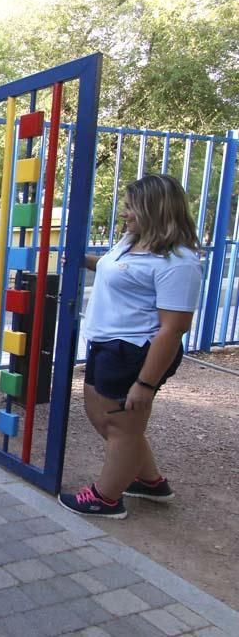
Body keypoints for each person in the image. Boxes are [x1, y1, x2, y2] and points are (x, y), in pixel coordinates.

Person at [59, 174, 202, 519]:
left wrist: (145, 383)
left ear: (154, 209)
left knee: (121, 426)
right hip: (107, 343)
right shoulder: (131, 242)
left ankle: (106, 499)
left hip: (134, 351)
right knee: (105, 418)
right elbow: (116, 270)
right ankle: (150, 482)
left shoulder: (179, 262)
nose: (124, 213)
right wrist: (84, 261)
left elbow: (173, 329)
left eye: (130, 207)